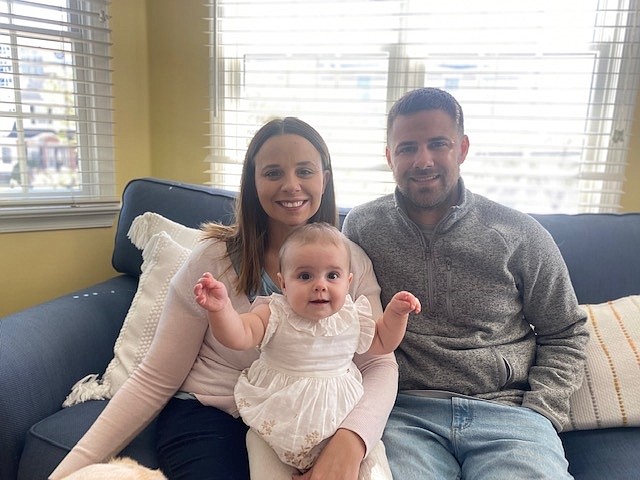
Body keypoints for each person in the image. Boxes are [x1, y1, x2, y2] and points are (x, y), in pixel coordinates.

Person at [50, 117, 399, 480]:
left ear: (324, 178)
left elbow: (379, 364)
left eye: (305, 170)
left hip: (310, 418)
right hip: (211, 413)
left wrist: (350, 442)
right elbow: (155, 377)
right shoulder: (212, 259)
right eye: (273, 172)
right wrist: (66, 472)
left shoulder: (350, 260)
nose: (291, 185)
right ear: (253, 182)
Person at [341, 87, 590, 479]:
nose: (423, 161)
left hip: (508, 414)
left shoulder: (520, 233)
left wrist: (543, 409)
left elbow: (566, 331)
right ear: (390, 157)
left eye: (437, 144)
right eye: (407, 148)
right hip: (404, 413)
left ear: (462, 148)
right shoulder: (361, 227)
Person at [194, 222, 421, 479]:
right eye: (305, 276)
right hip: (275, 426)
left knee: (375, 467)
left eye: (332, 276)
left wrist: (396, 314)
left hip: (339, 425)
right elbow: (239, 335)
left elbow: (383, 341)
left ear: (348, 282)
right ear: (283, 283)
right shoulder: (274, 313)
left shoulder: (352, 315)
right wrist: (221, 310)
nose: (320, 285)